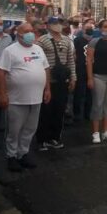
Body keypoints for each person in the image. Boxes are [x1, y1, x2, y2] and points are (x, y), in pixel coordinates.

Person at [0, 23, 51, 172]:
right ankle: (11, 156)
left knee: (30, 128)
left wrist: (47, 89)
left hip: (36, 98)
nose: (30, 34)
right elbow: (1, 72)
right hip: (16, 99)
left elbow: (45, 69)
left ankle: (23, 153)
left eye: (31, 31)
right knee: (14, 129)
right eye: (26, 32)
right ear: (18, 33)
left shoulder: (38, 49)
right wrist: (2, 93)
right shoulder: (10, 51)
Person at [35, 17, 76, 151]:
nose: (57, 26)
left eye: (59, 23)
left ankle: (54, 137)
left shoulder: (67, 40)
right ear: (48, 26)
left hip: (62, 81)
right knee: (45, 111)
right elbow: (38, 61)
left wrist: (73, 78)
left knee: (59, 110)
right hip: (47, 81)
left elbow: (70, 60)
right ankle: (42, 139)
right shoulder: (42, 41)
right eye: (54, 24)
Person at [73, 21, 93, 121]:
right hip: (80, 69)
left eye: (91, 28)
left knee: (90, 93)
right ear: (83, 30)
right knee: (79, 92)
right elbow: (73, 54)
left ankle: (87, 113)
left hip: (91, 70)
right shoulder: (77, 40)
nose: (89, 30)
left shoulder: (94, 41)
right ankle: (77, 113)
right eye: (87, 28)